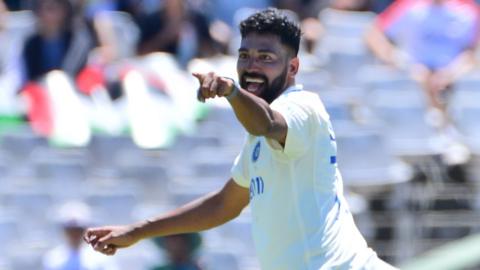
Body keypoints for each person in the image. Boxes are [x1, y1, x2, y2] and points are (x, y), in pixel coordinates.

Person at [84, 8, 397, 270]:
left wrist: (231, 91)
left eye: (265, 57)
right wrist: (137, 232)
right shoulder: (257, 140)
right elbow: (223, 205)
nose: (252, 66)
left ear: (293, 68)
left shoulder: (303, 107)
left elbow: (267, 123)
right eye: (245, 56)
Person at [365, 0, 480, 128]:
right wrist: (400, 62)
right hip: (411, 77)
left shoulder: (468, 9)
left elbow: (472, 52)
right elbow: (374, 34)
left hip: (452, 80)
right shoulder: (408, 5)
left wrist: (450, 74)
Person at [43, 201, 118, 270]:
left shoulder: (100, 258)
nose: (74, 234)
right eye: (70, 230)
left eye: (78, 230)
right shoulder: (52, 258)